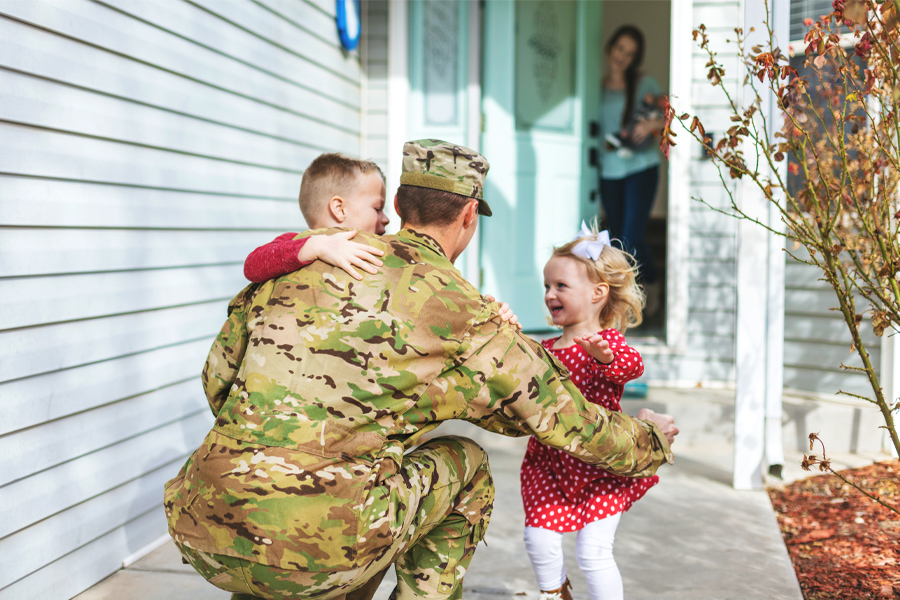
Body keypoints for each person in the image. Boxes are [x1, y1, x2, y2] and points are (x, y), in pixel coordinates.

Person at [164, 139, 678, 600]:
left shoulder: (303, 263)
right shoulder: (460, 307)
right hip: (325, 545)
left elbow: (217, 381)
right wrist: (649, 439)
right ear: (469, 215)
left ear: (398, 207)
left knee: (335, 484)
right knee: (466, 466)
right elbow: (562, 419)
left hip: (204, 523)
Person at [520, 223, 659, 600]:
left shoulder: (609, 342)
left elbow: (631, 366)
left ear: (598, 293)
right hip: (550, 463)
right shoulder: (544, 348)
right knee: (538, 540)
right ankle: (555, 593)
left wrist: (606, 357)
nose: (550, 294)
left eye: (561, 286)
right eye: (547, 286)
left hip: (600, 464)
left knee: (593, 552)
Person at [599, 25, 666, 313]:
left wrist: (650, 125)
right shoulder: (596, 85)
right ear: (611, 46)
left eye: (630, 53)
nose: (622, 56)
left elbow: (669, 115)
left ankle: (648, 284)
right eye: (620, 49)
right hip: (607, 171)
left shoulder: (644, 83)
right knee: (614, 238)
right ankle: (628, 298)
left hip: (641, 168)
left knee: (630, 236)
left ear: (635, 58)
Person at [243, 153, 390, 283]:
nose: (386, 219)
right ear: (339, 209)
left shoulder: (379, 247)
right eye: (378, 209)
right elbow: (251, 266)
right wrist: (316, 246)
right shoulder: (294, 241)